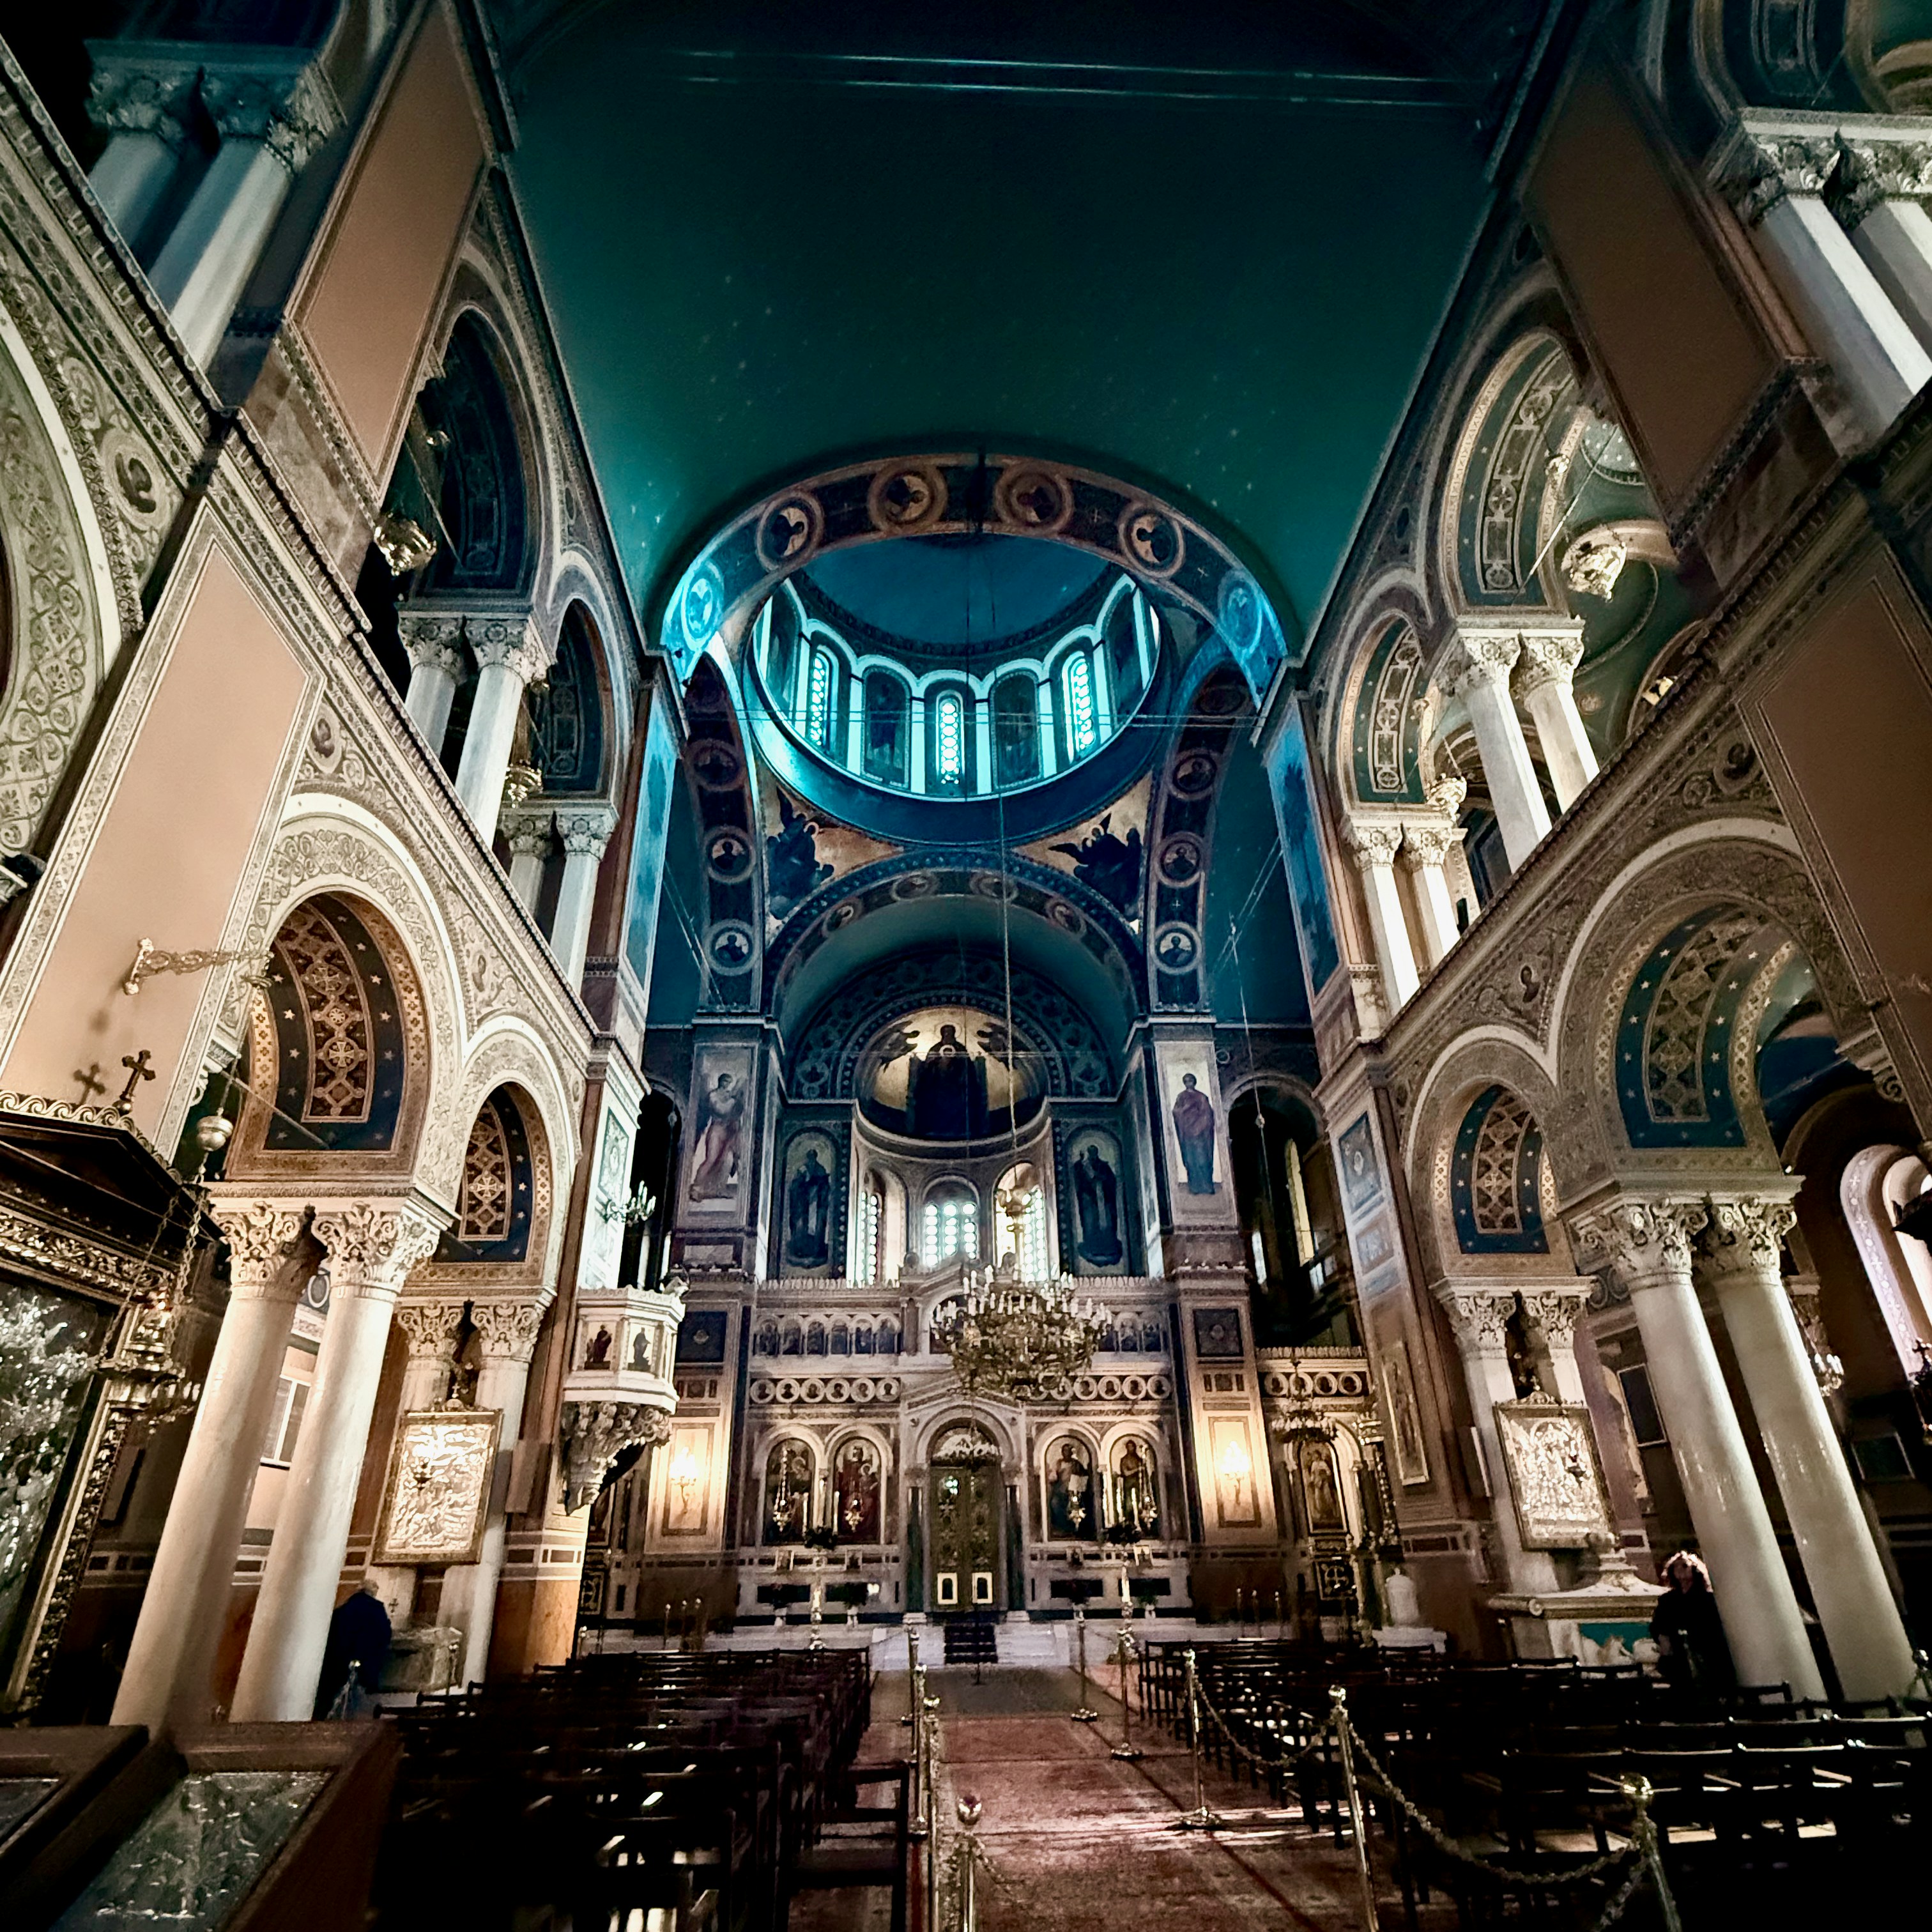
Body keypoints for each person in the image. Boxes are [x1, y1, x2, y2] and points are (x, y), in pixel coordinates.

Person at [1648, 1550, 1734, 1697]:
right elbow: (1658, 1624)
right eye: (1676, 1567)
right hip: (1678, 1652)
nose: (1680, 1570)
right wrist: (1664, 1638)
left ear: (1695, 1570)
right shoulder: (1668, 1600)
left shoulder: (1707, 1599)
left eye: (1684, 1566)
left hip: (1704, 1650)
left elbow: (1713, 1625)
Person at [314, 1579, 392, 1719]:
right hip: (365, 1663)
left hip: (337, 1662)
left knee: (330, 1702)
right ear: (372, 1591)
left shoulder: (343, 1609)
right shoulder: (376, 1609)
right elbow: (384, 1634)